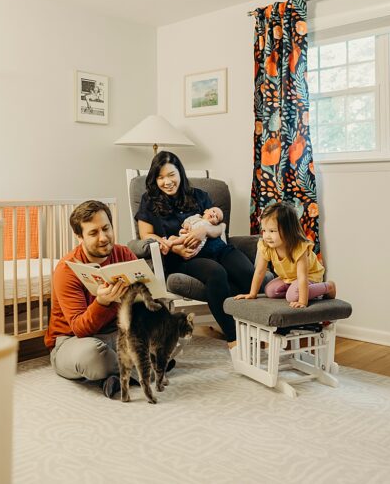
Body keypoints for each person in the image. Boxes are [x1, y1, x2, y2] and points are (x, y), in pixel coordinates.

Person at [46, 200, 168, 399]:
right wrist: (102, 302)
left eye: (106, 228)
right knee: (93, 356)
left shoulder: (123, 253)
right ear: (79, 236)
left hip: (117, 334)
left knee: (169, 328)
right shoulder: (66, 270)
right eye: (93, 233)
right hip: (74, 341)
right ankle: (148, 365)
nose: (103, 238)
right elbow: (80, 328)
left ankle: (117, 375)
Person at [135, 151, 254, 349]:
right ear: (154, 179)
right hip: (185, 257)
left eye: (171, 175)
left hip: (217, 248)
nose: (167, 182)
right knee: (217, 274)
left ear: (180, 173)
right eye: (160, 177)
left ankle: (256, 327)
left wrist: (204, 229)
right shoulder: (149, 200)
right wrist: (175, 248)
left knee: (248, 273)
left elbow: (219, 227)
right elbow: (146, 234)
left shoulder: (199, 195)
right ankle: (233, 336)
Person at [235, 201, 335, 309]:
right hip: (288, 277)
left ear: (289, 231)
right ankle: (293, 288)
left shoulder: (299, 248)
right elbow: (259, 271)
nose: (267, 236)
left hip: (310, 276)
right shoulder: (267, 246)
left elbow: (302, 277)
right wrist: (252, 294)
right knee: (270, 291)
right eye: (264, 230)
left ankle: (328, 287)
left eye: (272, 231)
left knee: (293, 296)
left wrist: (302, 301)